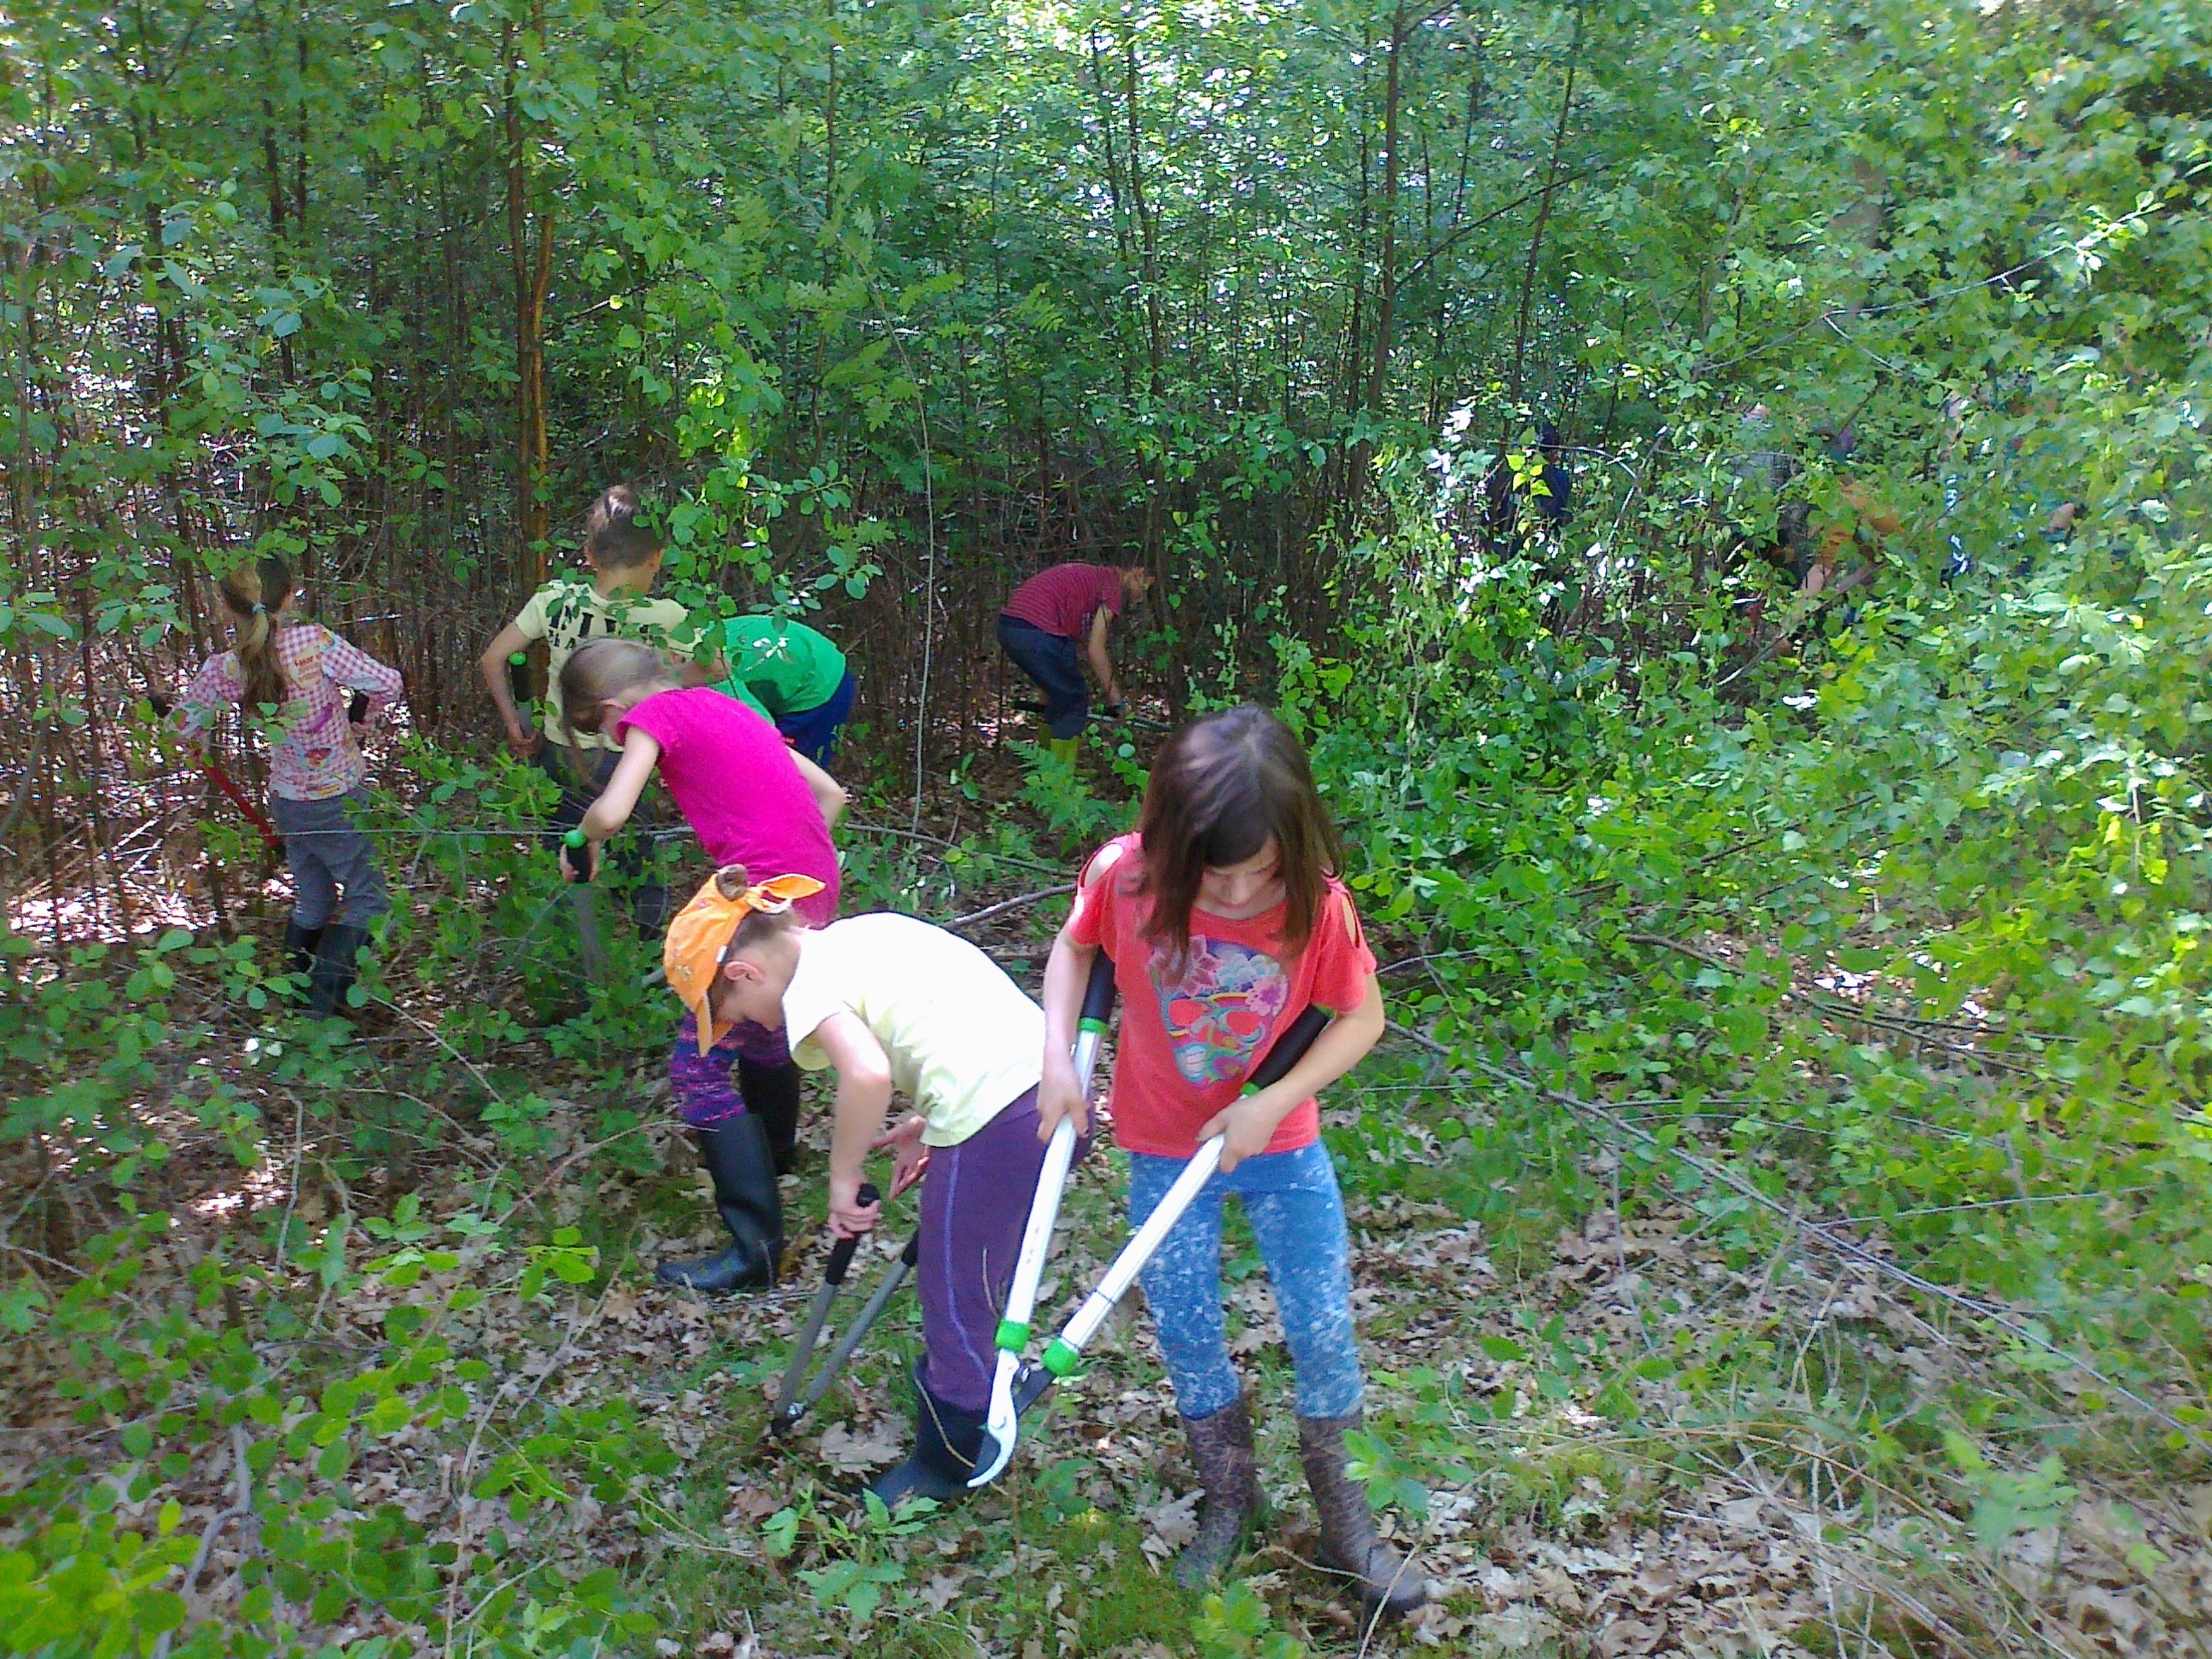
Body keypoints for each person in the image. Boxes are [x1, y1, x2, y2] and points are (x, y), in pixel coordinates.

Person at [1034, 706, 1426, 1619]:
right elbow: (1072, 947)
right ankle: (1231, 1499)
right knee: (1186, 1325)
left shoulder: (1317, 901)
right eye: (1223, 872)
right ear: (1174, 844)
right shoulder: (1123, 877)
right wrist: (1057, 1056)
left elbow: (1362, 1019)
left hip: (1279, 1148)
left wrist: (1269, 1103)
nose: (1246, 891)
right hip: (1162, 1147)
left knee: (1322, 1325)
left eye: (1264, 869)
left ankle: (1345, 1520)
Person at [668, 865, 1085, 1509]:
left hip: (996, 1120)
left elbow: (866, 1075)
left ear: (743, 974)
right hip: (1051, 1091)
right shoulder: (861, 937)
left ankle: (954, 1457)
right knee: (973, 1263)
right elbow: (954, 1022)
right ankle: (994, 1377)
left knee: (951, 1293)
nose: (749, 1027)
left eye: (733, 1016)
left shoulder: (807, 989)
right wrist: (926, 1119)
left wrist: (843, 1176)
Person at [558, 637, 847, 1292]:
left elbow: (612, 809)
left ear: (613, 708)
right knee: (764, 1020)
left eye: (602, 728)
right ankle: (774, 1156)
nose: (613, 737)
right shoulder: (732, 707)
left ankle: (756, 1252)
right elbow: (831, 794)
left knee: (699, 1064)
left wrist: (579, 839)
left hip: (770, 894)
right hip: (811, 884)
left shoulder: (652, 719)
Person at [173, 556, 404, 1018]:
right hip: (339, 797)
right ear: (291, 595)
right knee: (369, 899)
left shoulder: (228, 667)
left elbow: (182, 726)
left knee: (315, 897)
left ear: (229, 610)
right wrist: (365, 718)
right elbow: (387, 682)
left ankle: (299, 1001)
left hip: (289, 803)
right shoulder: (314, 643)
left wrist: (181, 728)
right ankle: (321, 1006)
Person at [478, 485, 712, 930]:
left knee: (567, 853)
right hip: (627, 755)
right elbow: (715, 667)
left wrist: (513, 723)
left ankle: (571, 948)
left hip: (558, 748)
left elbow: (493, 658)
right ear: (656, 558)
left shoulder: (555, 600)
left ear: (589, 552)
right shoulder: (665, 615)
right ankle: (647, 960)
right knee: (638, 859)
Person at [996, 560, 1153, 764]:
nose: (1140, 597)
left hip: (1010, 626)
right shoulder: (1113, 587)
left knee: (1058, 693)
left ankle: (1046, 764)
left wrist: (1048, 693)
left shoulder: (1097, 578)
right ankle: (1060, 781)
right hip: (1035, 630)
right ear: (1138, 573)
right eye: (1145, 588)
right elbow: (1096, 651)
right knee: (1074, 699)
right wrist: (1118, 703)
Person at [714, 613, 857, 766]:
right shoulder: (694, 639)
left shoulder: (709, 672)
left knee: (786, 770)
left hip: (818, 683)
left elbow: (761, 729)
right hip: (802, 663)